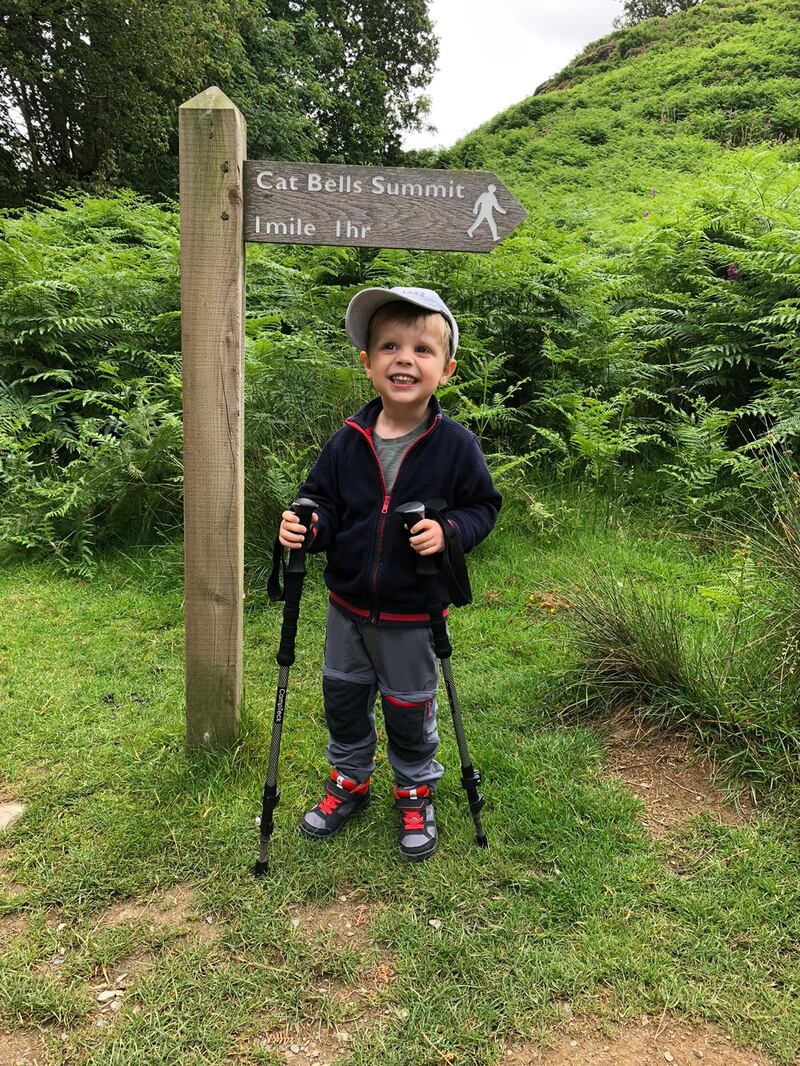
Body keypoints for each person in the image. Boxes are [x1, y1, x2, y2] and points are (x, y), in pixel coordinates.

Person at [278, 286, 501, 861]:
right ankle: (350, 779)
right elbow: (320, 502)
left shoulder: (455, 446)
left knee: (408, 706)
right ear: (368, 363)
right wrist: (305, 525)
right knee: (344, 698)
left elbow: (483, 507)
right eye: (389, 347)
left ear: (446, 370)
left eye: (423, 350)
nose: (405, 359)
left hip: (412, 610)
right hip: (346, 607)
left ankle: (415, 789)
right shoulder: (346, 442)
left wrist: (448, 533)